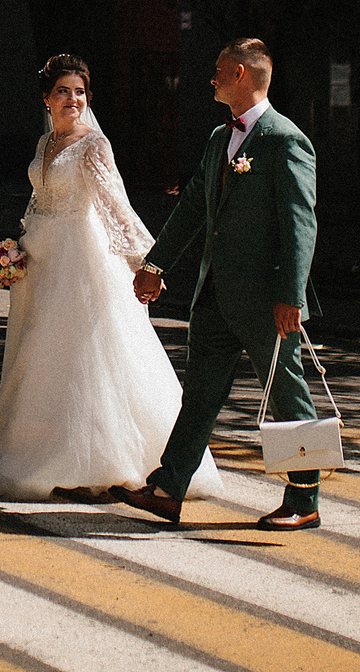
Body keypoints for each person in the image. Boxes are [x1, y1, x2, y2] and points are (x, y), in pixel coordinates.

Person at [0, 53, 218, 501]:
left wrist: (147, 262)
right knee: (42, 359)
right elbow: (38, 201)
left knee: (83, 359)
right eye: (63, 91)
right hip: (41, 261)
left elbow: (115, 206)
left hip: (81, 262)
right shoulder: (44, 144)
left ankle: (101, 466)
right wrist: (16, 250)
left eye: (80, 92)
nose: (73, 99)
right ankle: (50, 456)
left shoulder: (93, 145)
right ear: (46, 99)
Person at [114, 35, 324, 530]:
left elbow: (301, 224)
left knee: (287, 396)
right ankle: (168, 490)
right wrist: (155, 264)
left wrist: (291, 296)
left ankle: (304, 499)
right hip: (214, 297)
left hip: (265, 301)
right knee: (200, 395)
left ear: (240, 75)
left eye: (218, 69)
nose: (209, 77)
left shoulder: (285, 140)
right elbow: (191, 207)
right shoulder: (219, 138)